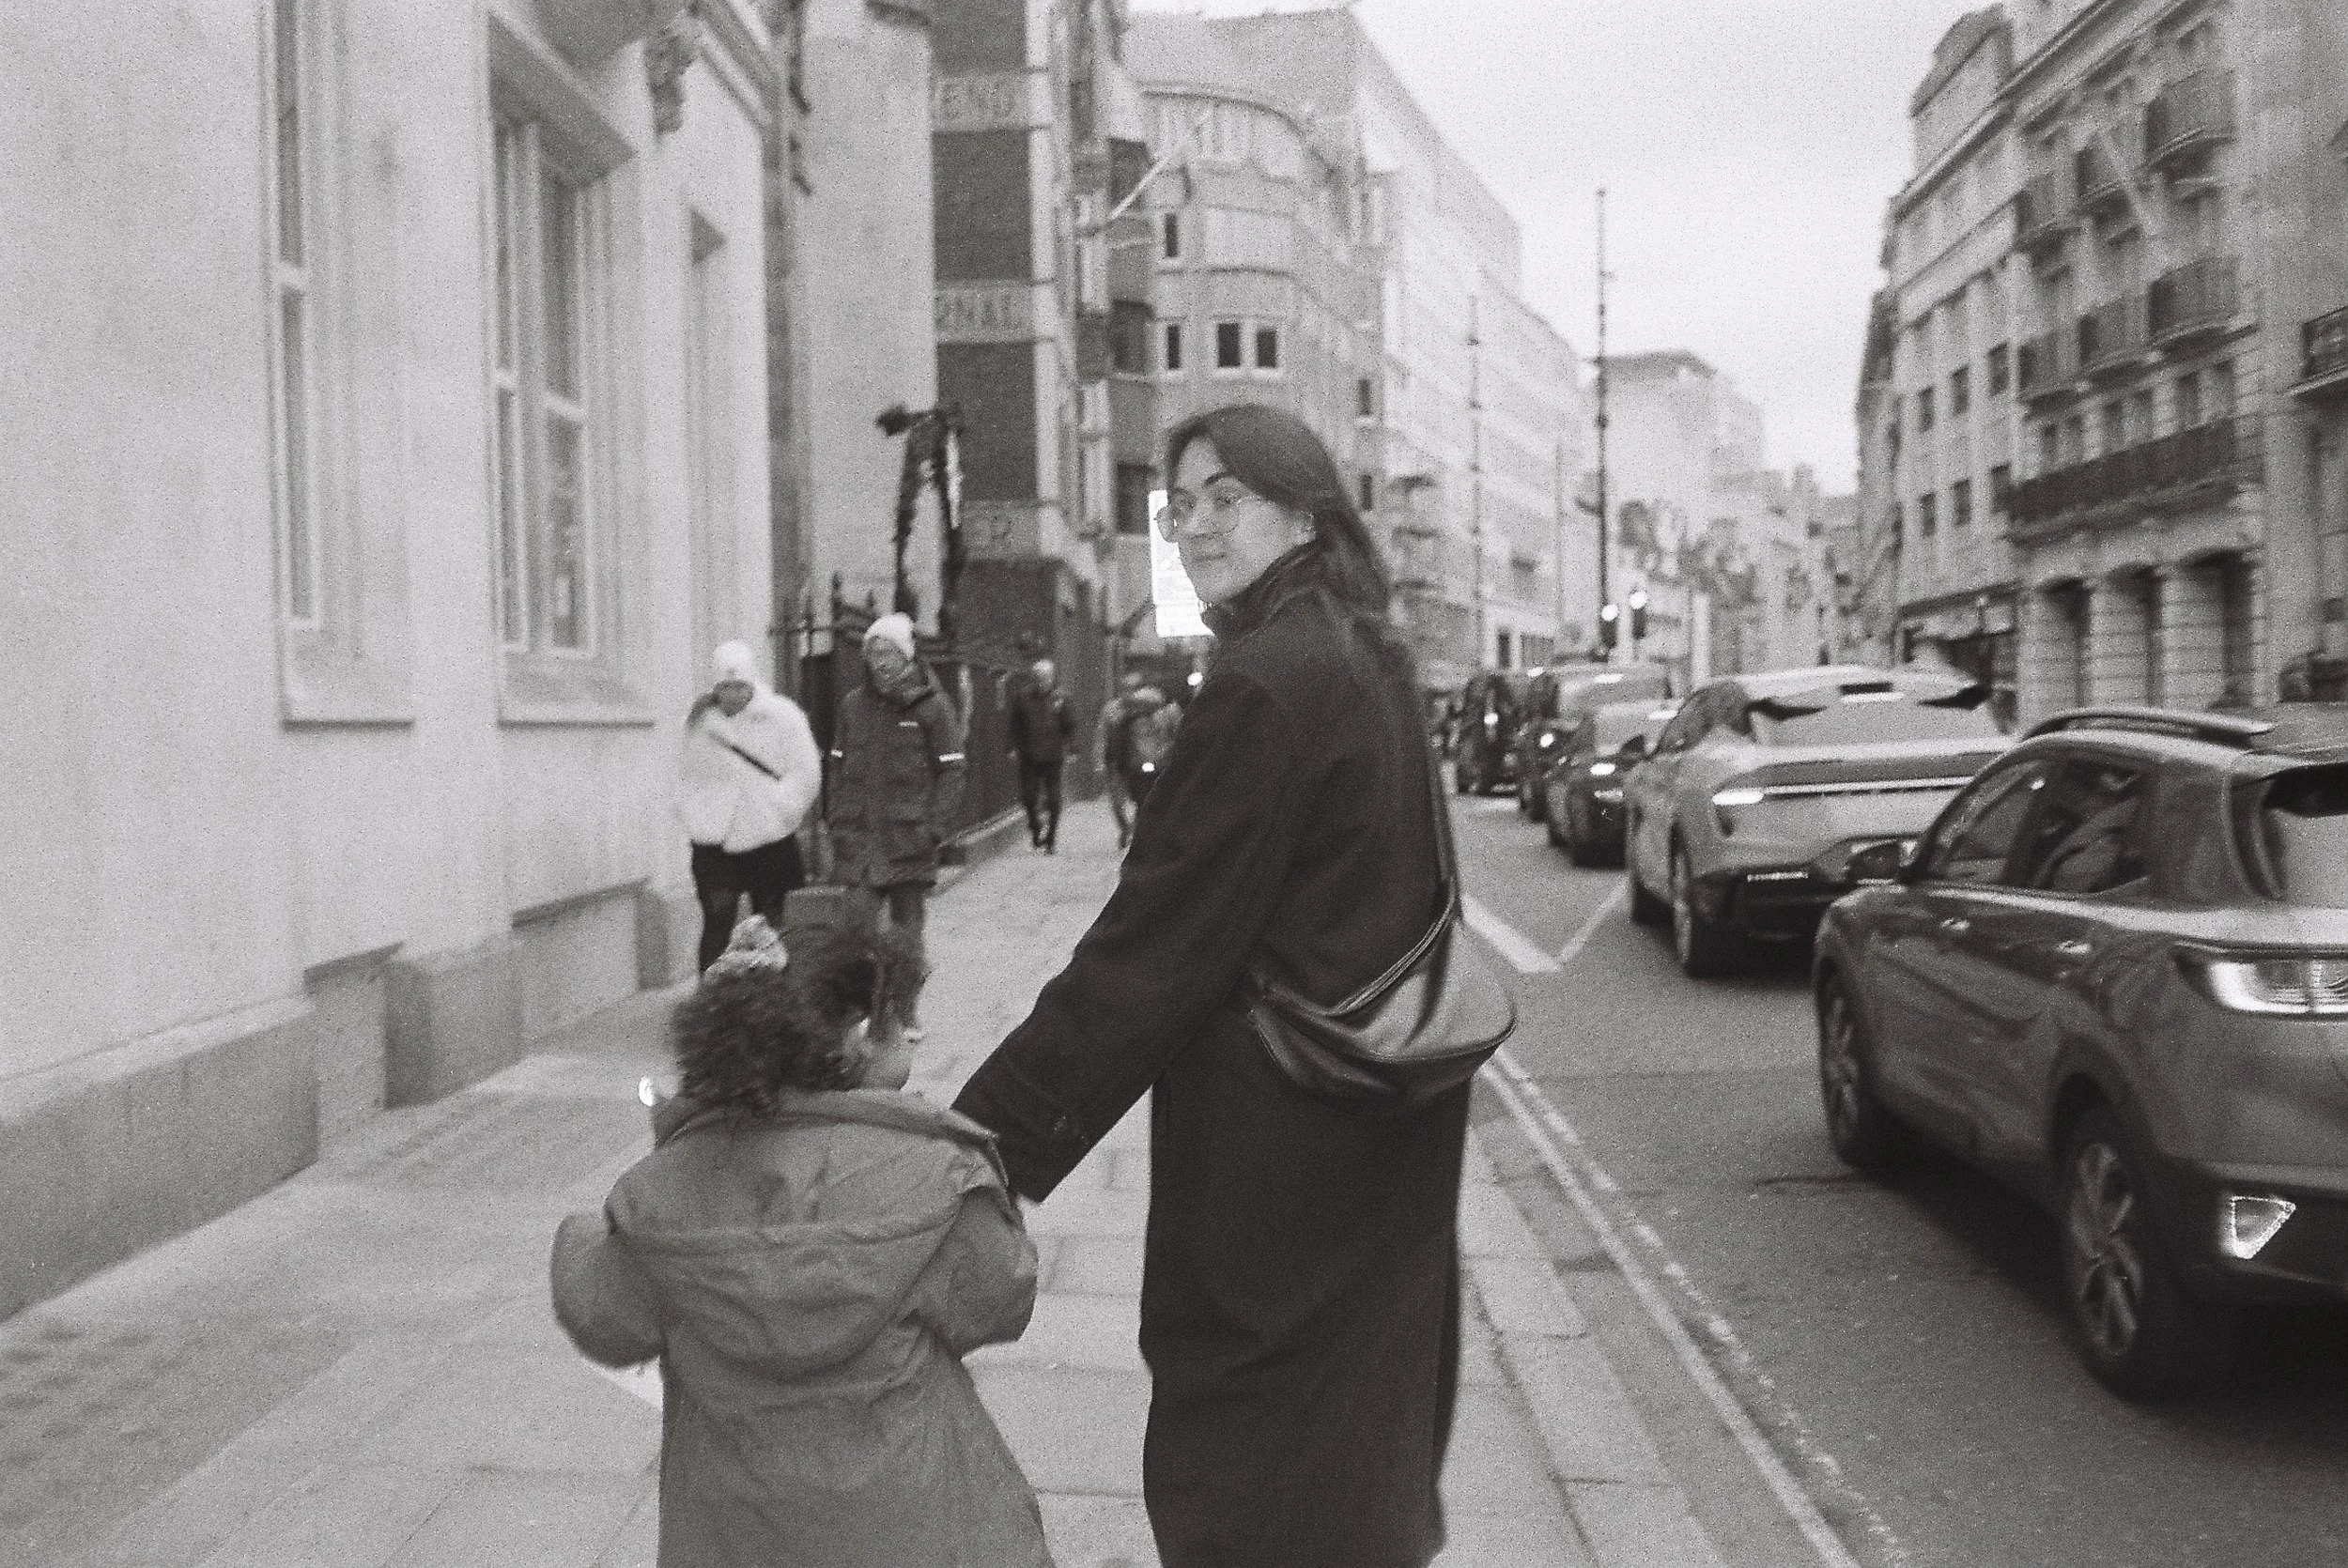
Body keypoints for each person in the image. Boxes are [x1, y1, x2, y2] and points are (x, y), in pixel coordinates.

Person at [952, 403, 1465, 1568]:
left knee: (1250, 1455)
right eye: (1179, 505)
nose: (1193, 526)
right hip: (1380, 1137)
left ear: (1305, 508)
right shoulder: (1365, 653)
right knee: (1353, 1448)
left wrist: (977, 1146)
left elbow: (1149, 954)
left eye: (1226, 496)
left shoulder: (1268, 683)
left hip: (1283, 1152)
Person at [550, 914, 1050, 1568]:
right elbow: (1001, 1299)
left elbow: (604, 1321)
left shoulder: (664, 1191)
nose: (915, 1032)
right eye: (903, 1017)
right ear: (861, 1034)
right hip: (916, 1525)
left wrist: (584, 1238)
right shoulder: (937, 1175)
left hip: (735, 1536)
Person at [825, 612, 965, 1038]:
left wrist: (933, 829)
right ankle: (860, 1010)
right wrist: (837, 820)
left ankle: (904, 1010)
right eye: (873, 653)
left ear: (906, 657)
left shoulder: (932, 707)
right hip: (860, 840)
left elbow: (953, 771)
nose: (881, 662)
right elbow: (836, 767)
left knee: (907, 934)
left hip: (909, 839)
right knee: (856, 930)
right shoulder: (852, 706)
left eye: (888, 653)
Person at [675, 641, 823, 976]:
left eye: (740, 686)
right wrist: (695, 813)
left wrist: (781, 808)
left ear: (752, 682)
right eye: (725, 687)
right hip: (715, 838)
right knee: (717, 920)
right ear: (715, 688)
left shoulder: (782, 716)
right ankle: (713, 998)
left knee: (769, 929)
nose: (733, 695)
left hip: (769, 837)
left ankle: (771, 997)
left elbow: (805, 772)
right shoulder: (698, 723)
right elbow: (682, 774)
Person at [1006, 656, 1076, 853]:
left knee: (1054, 797)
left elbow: (1069, 725)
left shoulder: (1061, 698)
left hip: (1053, 754)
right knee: (1028, 797)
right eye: (1038, 677)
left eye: (1046, 677)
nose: (1042, 681)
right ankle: (1035, 827)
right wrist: (1012, 747)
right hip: (1029, 754)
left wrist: (1072, 748)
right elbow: (1014, 724)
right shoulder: (1022, 697)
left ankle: (1051, 837)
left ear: (1052, 678)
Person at [1095, 671, 1146, 848]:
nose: (1129, 692)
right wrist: (1099, 760)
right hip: (1116, 761)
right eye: (1126, 688)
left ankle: (1134, 828)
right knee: (1117, 802)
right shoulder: (1111, 709)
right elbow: (1102, 735)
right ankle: (1125, 827)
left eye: (1133, 689)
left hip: (1138, 761)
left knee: (1141, 799)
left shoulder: (1145, 709)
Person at [1113, 683, 1180, 810]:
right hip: (1137, 766)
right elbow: (1122, 744)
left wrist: (1166, 753)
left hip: (1160, 764)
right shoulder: (1127, 723)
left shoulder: (1164, 718)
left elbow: (1171, 738)